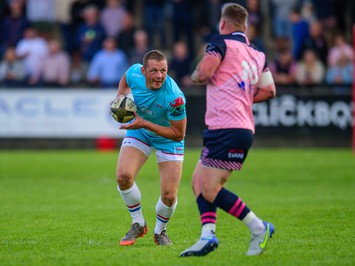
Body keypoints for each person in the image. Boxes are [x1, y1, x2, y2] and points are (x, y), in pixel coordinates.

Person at [179, 3, 276, 257]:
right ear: (244, 27)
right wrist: (242, 96)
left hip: (228, 127)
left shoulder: (219, 43)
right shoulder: (257, 54)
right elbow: (269, 90)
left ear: (223, 24)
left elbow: (203, 73)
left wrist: (195, 74)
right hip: (233, 127)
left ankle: (259, 227)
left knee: (210, 188)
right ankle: (207, 235)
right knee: (198, 182)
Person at [114, 50, 187, 246]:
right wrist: (120, 97)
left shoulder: (175, 97)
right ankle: (138, 223)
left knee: (169, 196)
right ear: (143, 70)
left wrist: (145, 123)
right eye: (154, 71)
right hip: (141, 132)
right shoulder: (133, 73)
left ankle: (160, 231)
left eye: (163, 70)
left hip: (168, 138)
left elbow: (178, 133)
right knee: (123, 177)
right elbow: (125, 80)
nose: (159, 76)